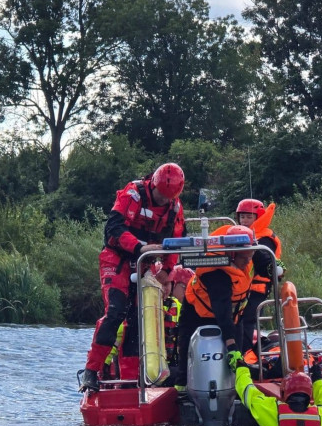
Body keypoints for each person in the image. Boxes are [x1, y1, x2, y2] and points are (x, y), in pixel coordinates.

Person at [79, 163, 186, 392]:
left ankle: (133, 382)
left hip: (147, 264)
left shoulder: (175, 207)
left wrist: (167, 272)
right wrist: (141, 248)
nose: (163, 201)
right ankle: (91, 371)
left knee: (140, 320)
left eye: (168, 198)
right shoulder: (133, 193)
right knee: (115, 312)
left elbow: (175, 243)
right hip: (117, 259)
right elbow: (114, 230)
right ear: (153, 186)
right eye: (160, 196)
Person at [174, 225, 269, 391]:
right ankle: (181, 389)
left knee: (237, 357)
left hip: (235, 314)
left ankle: (237, 389)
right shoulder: (216, 271)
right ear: (231, 254)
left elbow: (262, 259)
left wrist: (272, 266)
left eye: (250, 255)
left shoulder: (248, 254)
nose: (248, 261)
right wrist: (230, 345)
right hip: (197, 312)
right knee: (187, 353)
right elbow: (222, 311)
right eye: (243, 258)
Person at [229, 356, 322, 426]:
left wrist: (241, 368)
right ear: (310, 393)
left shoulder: (272, 410)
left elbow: (247, 390)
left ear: (283, 392)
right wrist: (317, 380)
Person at [235, 198, 283, 352]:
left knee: (246, 321)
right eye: (242, 217)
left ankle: (245, 356)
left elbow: (266, 264)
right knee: (237, 321)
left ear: (258, 217)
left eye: (249, 217)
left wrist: (252, 249)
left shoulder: (264, 239)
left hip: (256, 289)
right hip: (240, 288)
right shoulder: (239, 237)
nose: (245, 221)